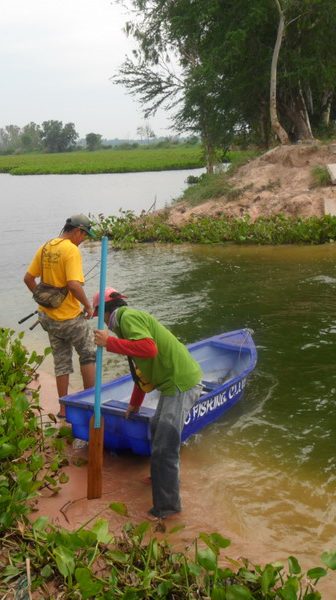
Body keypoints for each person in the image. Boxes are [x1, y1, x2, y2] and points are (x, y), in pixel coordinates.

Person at [92, 288, 203, 521]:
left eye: (98, 315)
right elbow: (142, 370)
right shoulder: (124, 325)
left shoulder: (127, 317)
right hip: (170, 384)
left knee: (165, 445)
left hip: (180, 383)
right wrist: (135, 403)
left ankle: (168, 508)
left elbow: (148, 349)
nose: (101, 321)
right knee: (155, 426)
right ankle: (161, 477)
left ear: (103, 312)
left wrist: (110, 343)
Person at [24, 214, 98, 417]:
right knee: (89, 354)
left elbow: (29, 279)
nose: (83, 240)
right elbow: (74, 284)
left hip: (48, 317)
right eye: (84, 235)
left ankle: (63, 409)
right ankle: (90, 403)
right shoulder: (72, 250)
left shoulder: (46, 246)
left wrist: (45, 299)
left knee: (61, 361)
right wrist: (88, 306)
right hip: (70, 318)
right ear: (77, 231)